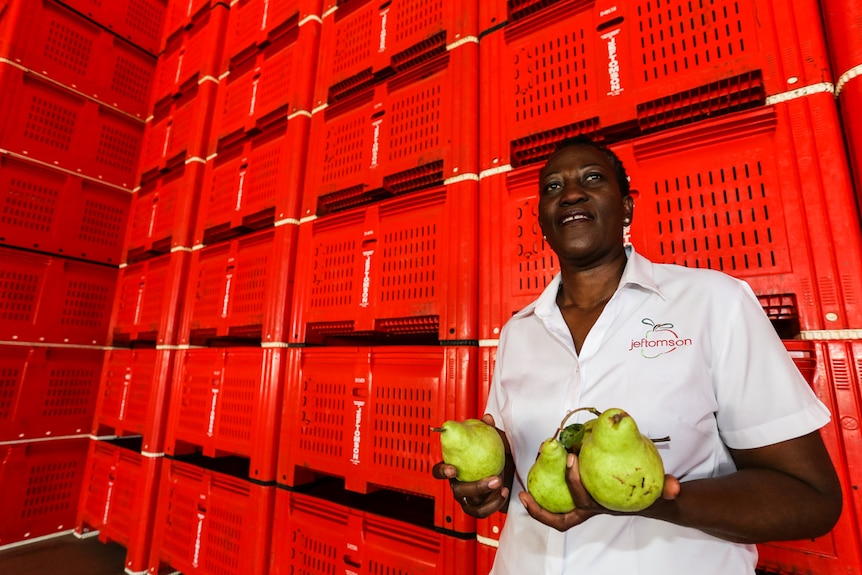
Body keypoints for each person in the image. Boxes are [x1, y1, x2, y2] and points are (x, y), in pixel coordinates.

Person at [432, 135, 843, 574]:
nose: (570, 193)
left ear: (627, 207)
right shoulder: (520, 332)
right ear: (543, 221)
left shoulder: (712, 303)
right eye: (553, 187)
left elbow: (810, 498)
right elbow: (531, 472)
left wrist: (649, 502)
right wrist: (490, 489)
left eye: (592, 178)